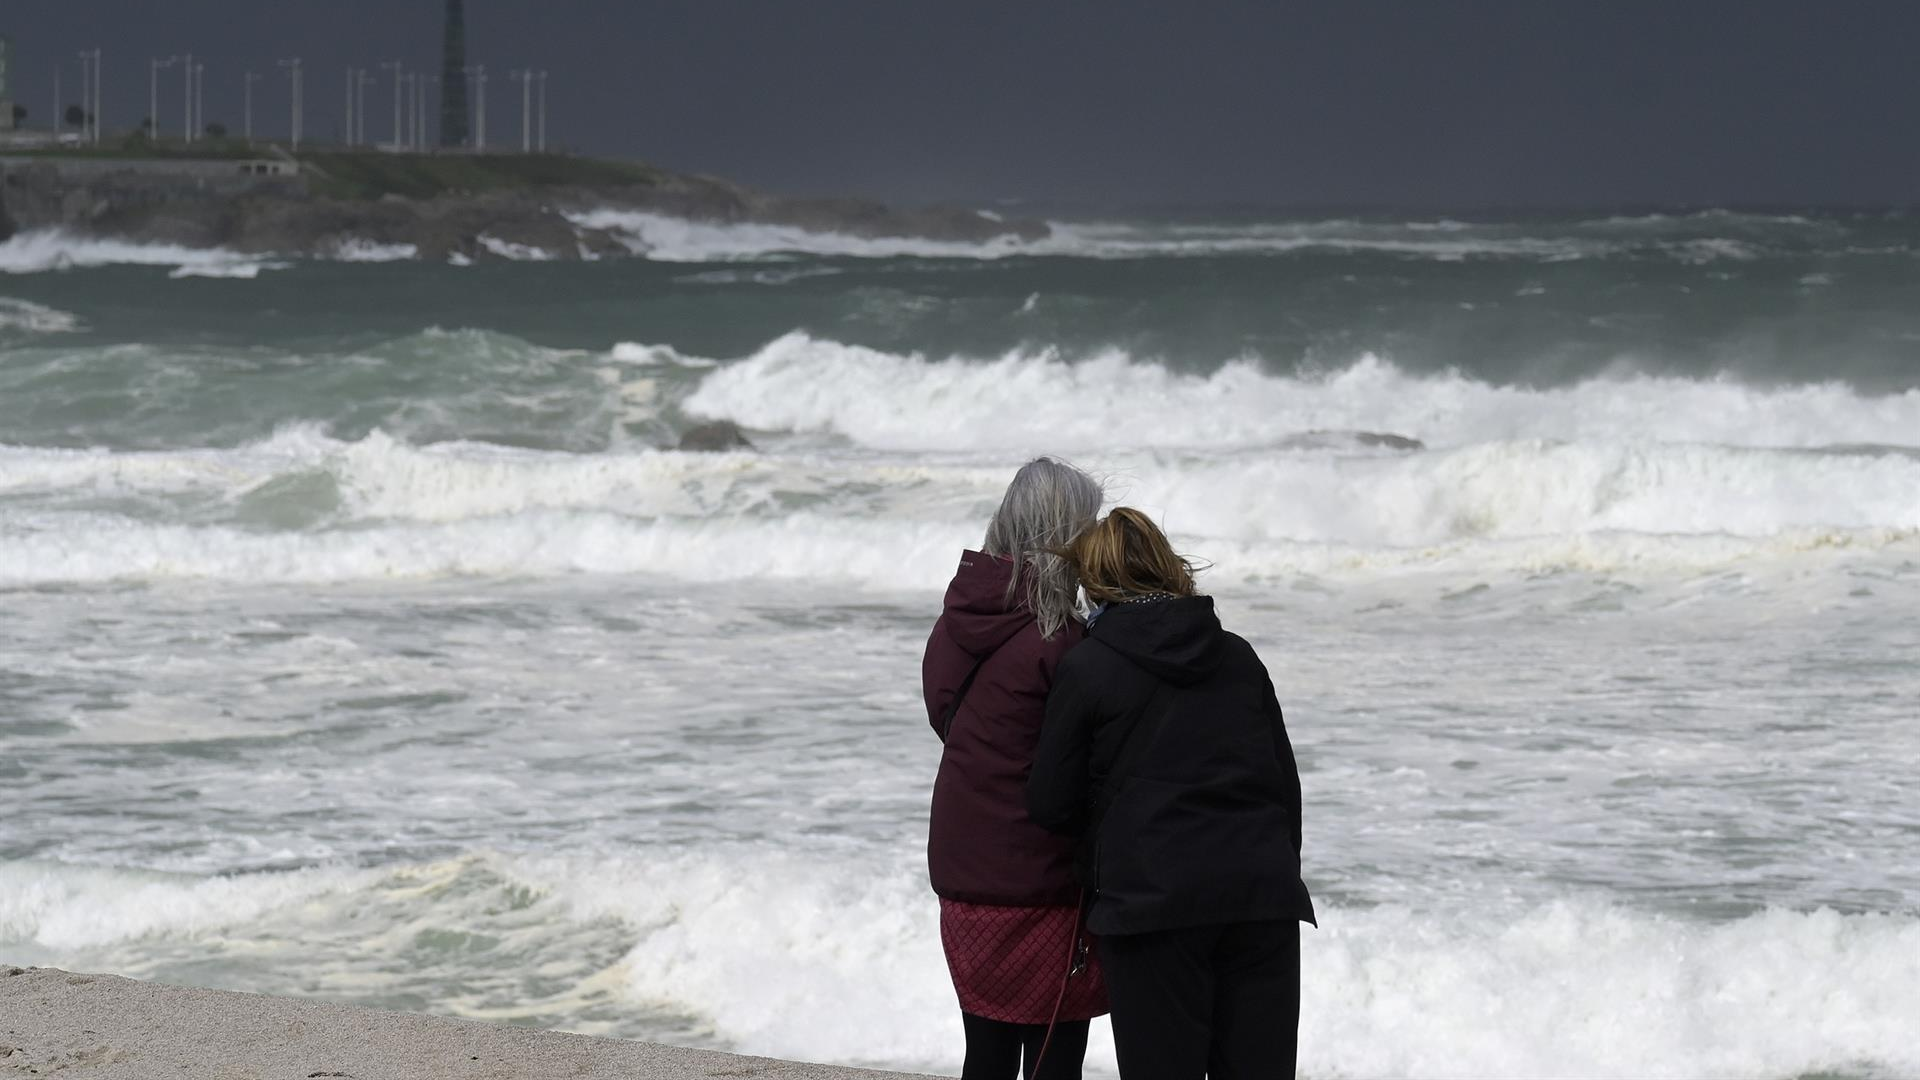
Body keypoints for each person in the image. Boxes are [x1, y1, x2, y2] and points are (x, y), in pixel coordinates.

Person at [1027, 507, 1316, 1080]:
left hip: (1151, 908)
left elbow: (1050, 804)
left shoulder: (1088, 668)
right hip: (1261, 897)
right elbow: (1285, 789)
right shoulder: (1238, 655)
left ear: (1094, 581)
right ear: (1167, 567)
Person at [924, 458, 1110, 1080]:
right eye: (1087, 527)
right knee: (1057, 1061)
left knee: (987, 1053)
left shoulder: (956, 625)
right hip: (1040, 883)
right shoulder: (1061, 644)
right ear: (1063, 535)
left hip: (963, 874)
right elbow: (1080, 769)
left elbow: (952, 723)